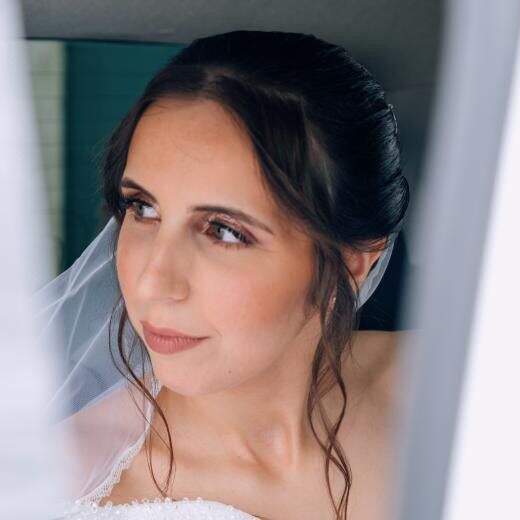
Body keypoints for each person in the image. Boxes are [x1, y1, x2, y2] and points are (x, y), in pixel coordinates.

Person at [37, 30, 411, 520]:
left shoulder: (463, 385)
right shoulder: (56, 489)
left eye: (224, 231)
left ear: (352, 262)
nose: (151, 283)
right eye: (142, 208)